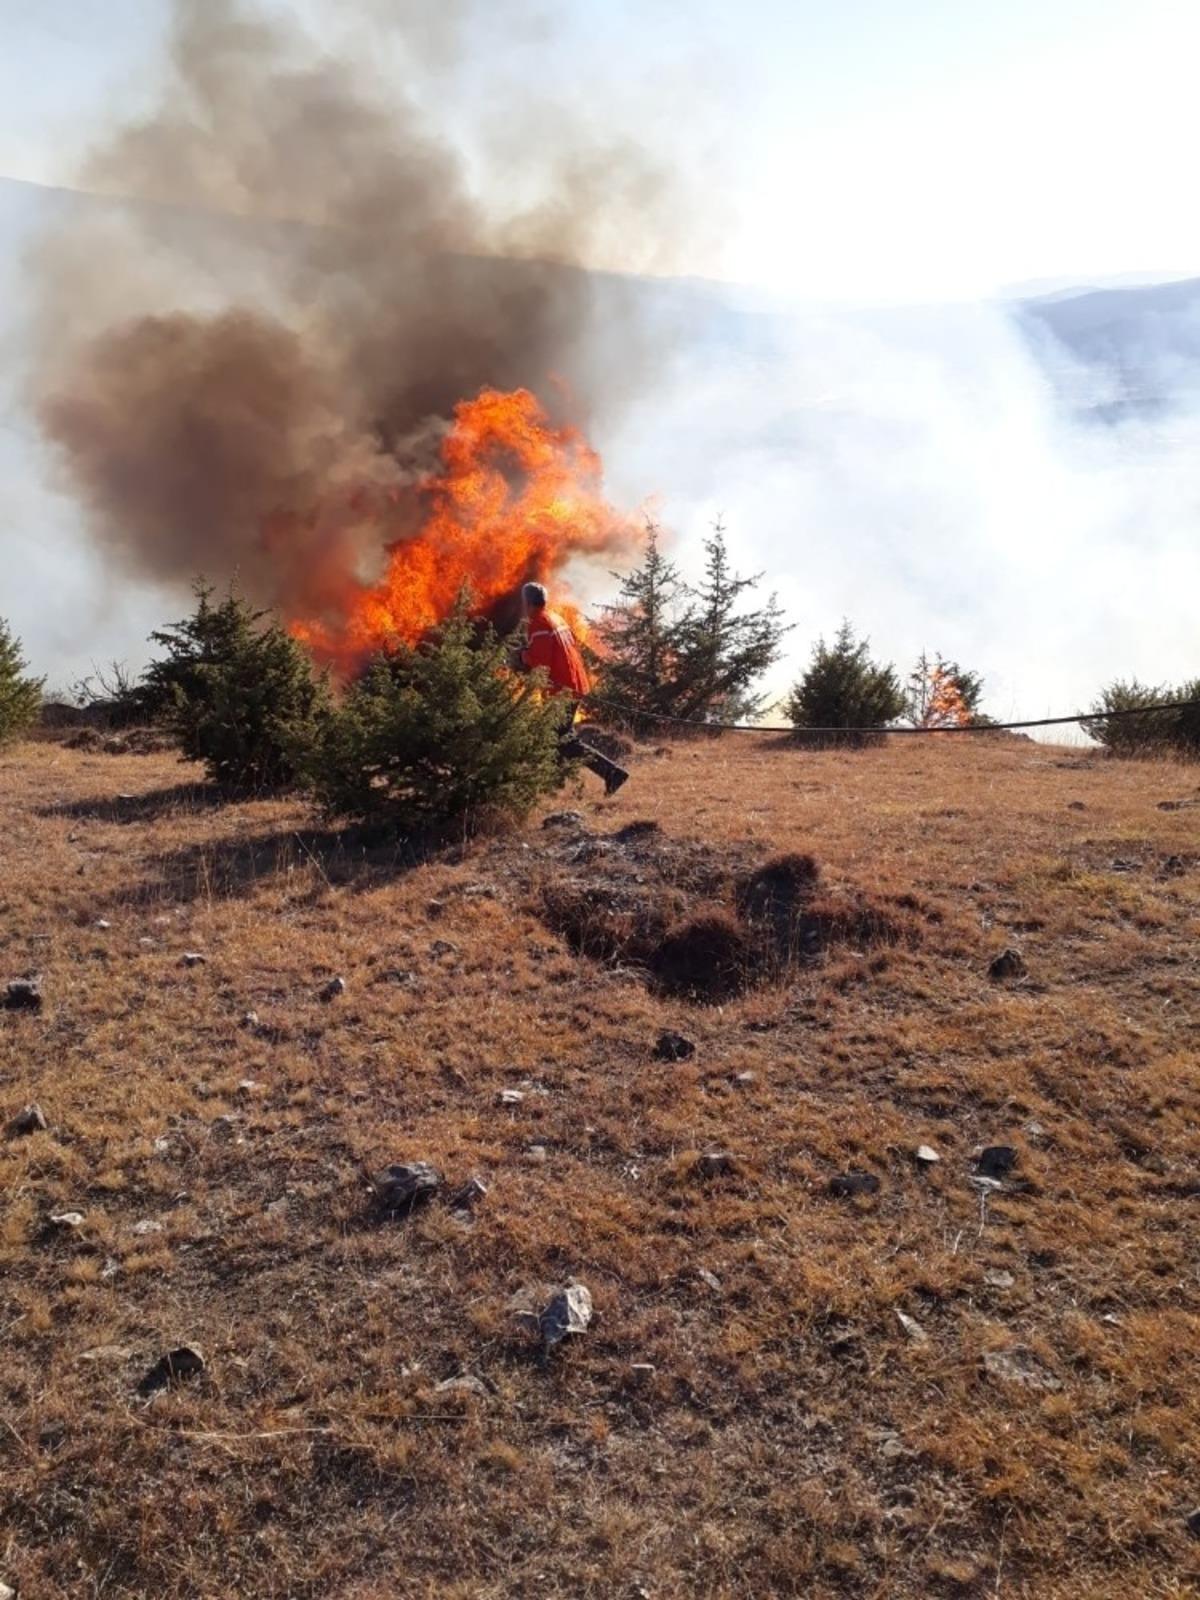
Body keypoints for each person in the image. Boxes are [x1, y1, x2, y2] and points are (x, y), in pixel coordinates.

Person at [514, 582, 629, 796]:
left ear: (527, 602)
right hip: (574, 684)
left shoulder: (538, 623)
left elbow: (541, 663)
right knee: (556, 737)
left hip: (561, 691)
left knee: (563, 739)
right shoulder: (556, 618)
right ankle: (552, 784)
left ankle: (612, 773)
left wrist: (523, 656)